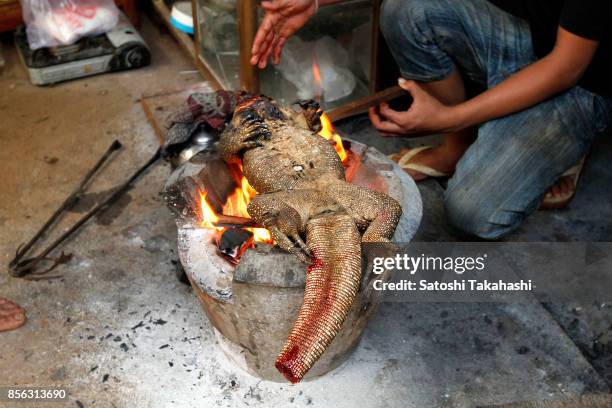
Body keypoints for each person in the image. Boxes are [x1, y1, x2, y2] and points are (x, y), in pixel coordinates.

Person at [250, 0, 612, 240]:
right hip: (525, 34)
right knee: (408, 8)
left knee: (473, 213)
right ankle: (458, 147)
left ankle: (566, 150)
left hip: (579, 79)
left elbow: (566, 68)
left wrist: (449, 117)